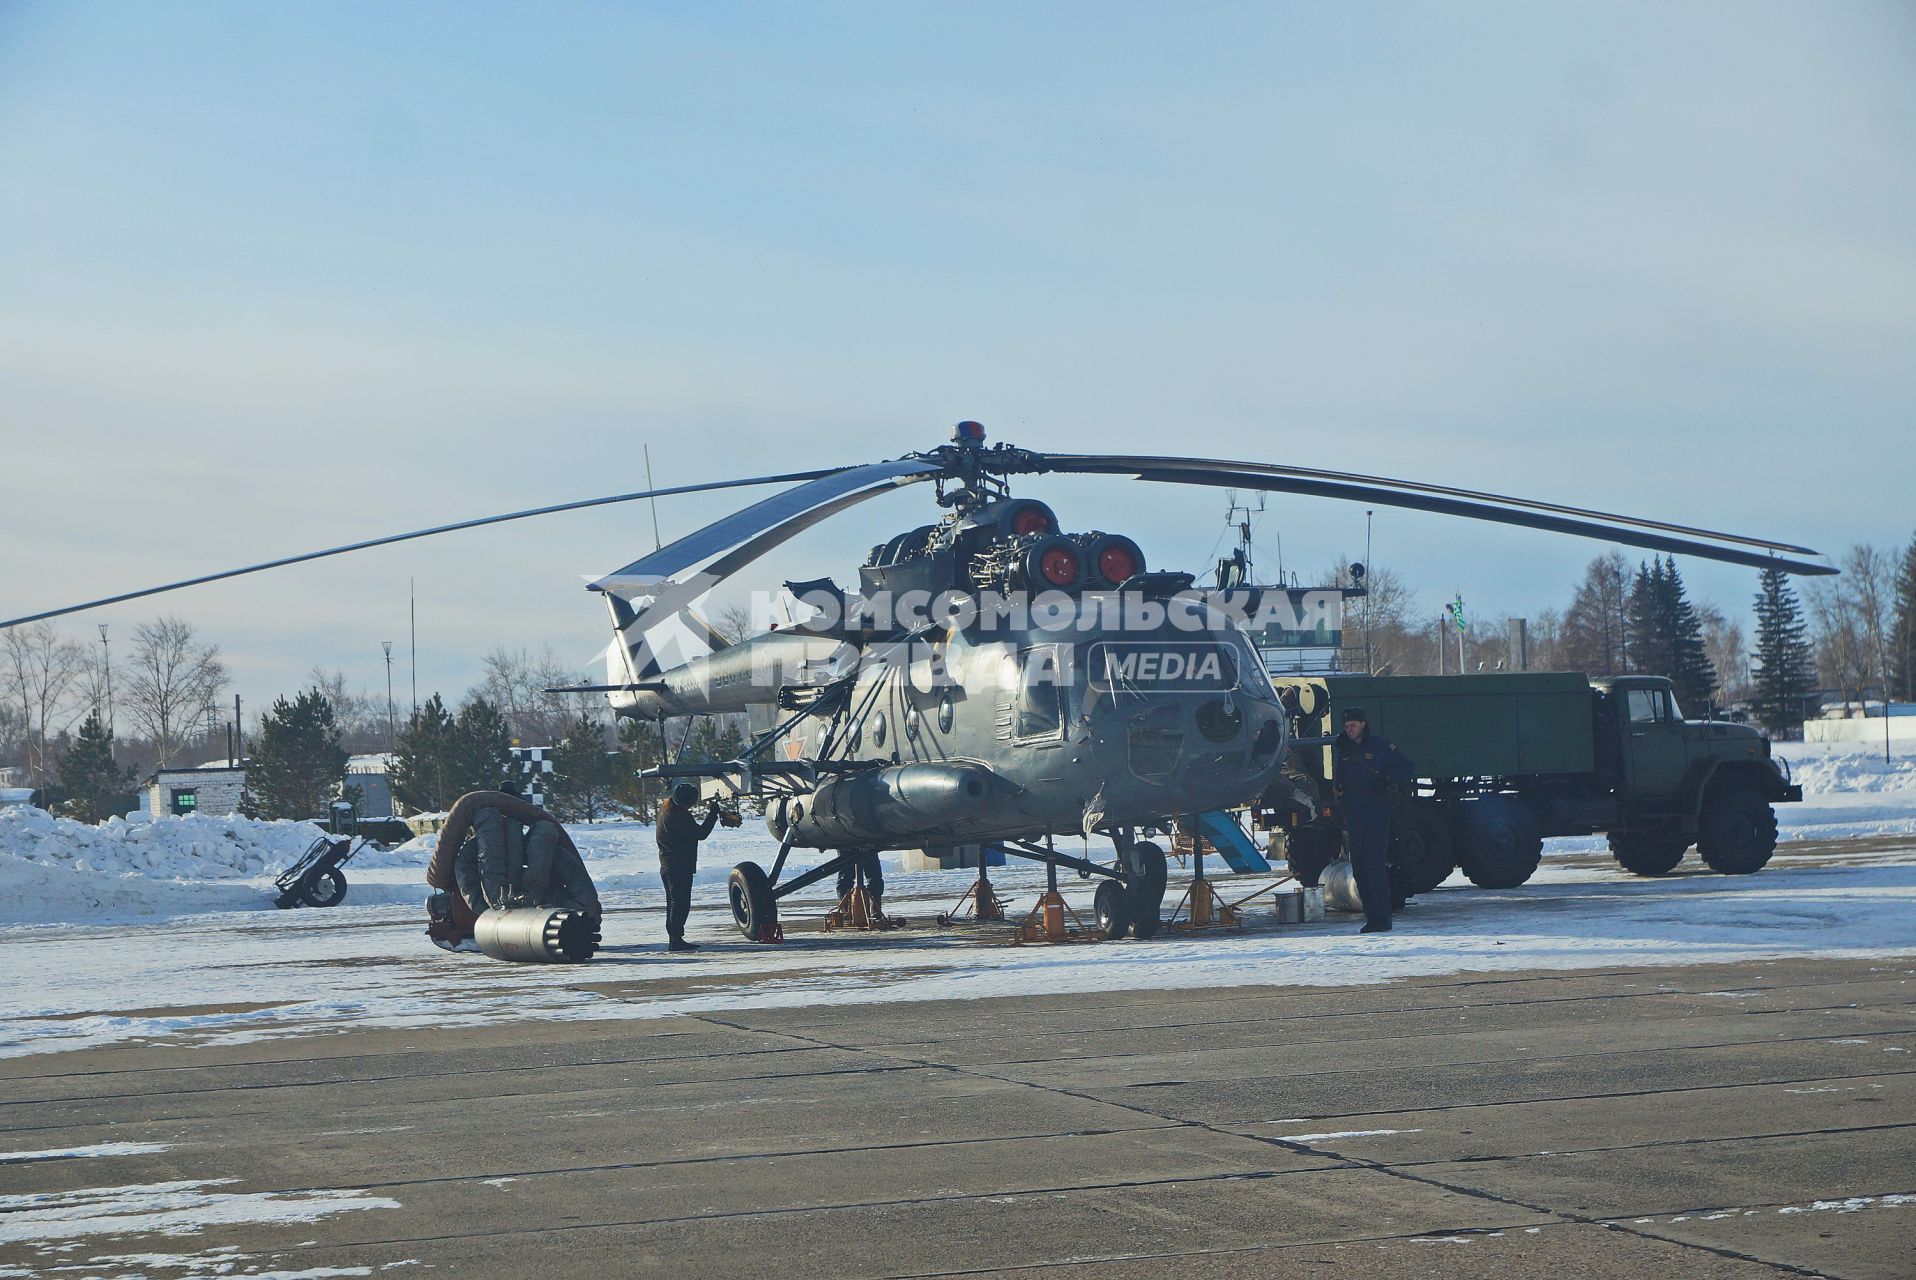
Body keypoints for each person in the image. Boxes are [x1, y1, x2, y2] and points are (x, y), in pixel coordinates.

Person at [1333, 706, 1414, 934]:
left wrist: (1388, 779)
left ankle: (1383, 917)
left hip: (1377, 812)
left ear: (1363, 725)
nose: (1349, 730)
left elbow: (1407, 767)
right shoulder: (1345, 750)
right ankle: (1372, 917)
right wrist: (1338, 787)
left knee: (1374, 865)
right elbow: (1341, 775)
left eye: (1353, 726)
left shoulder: (1379, 747)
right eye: (1346, 726)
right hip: (1355, 814)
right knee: (1359, 867)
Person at [656, 783, 719, 951]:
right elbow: (700, 834)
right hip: (679, 866)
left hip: (668, 865)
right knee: (680, 903)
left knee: (673, 902)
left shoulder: (666, 810)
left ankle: (674, 937)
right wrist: (713, 815)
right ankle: (676, 939)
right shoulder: (678, 816)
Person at [835, 848, 885, 916]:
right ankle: (876, 910)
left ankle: (845, 911)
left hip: (845, 842)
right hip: (868, 843)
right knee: (874, 875)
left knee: (845, 875)